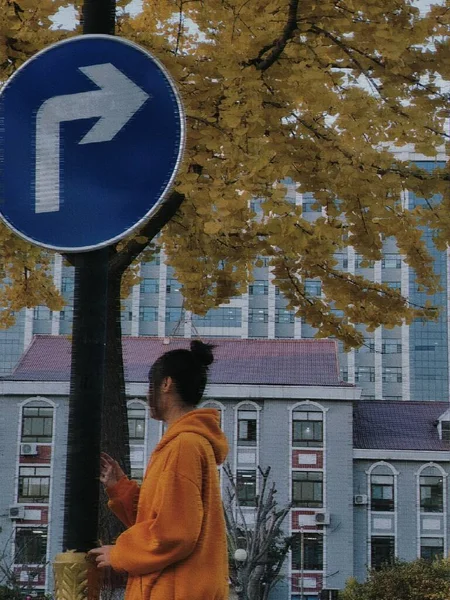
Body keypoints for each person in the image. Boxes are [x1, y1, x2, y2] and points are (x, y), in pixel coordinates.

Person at [89, 340, 229, 600]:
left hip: (174, 590)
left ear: (166, 384)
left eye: (150, 386)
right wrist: (120, 488)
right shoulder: (186, 443)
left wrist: (118, 554)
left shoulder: (183, 446)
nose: (147, 394)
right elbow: (163, 521)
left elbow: (174, 535)